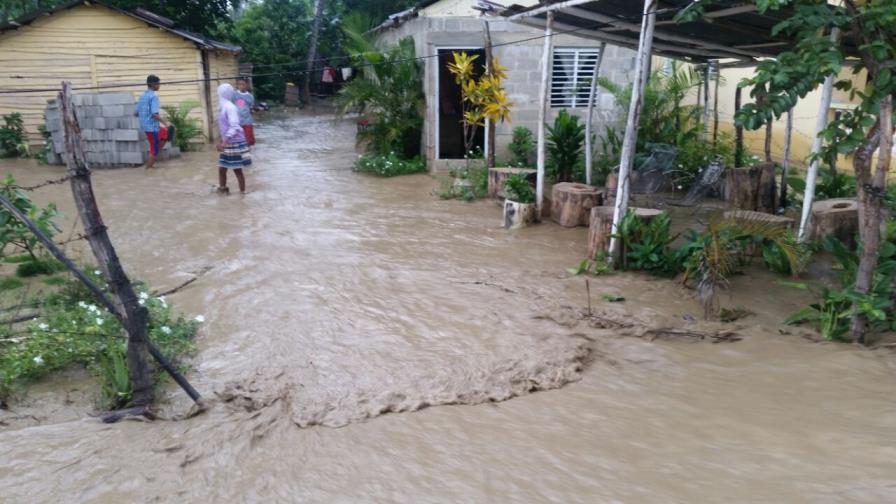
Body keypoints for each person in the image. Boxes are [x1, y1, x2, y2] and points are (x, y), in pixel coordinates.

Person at [216, 83, 251, 194]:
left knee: (237, 170)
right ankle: (222, 189)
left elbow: (234, 126)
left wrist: (224, 142)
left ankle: (242, 193)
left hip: (235, 142)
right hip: (227, 142)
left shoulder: (230, 107)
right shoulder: (223, 107)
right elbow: (224, 127)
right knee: (222, 168)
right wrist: (222, 141)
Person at [134, 74, 167, 168]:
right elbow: (154, 114)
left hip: (146, 126)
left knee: (165, 134)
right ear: (153, 84)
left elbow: (136, 113)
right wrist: (165, 123)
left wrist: (144, 114)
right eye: (158, 84)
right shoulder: (153, 96)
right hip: (152, 127)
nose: (159, 85)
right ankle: (148, 168)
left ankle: (155, 153)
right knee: (154, 148)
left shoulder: (142, 96)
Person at [233, 77, 256, 146]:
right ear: (237, 85)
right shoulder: (234, 95)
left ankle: (248, 154)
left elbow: (251, 109)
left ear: (247, 85)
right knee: (238, 141)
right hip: (237, 122)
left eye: (243, 84)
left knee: (248, 141)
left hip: (247, 122)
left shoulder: (250, 97)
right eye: (239, 84)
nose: (241, 86)